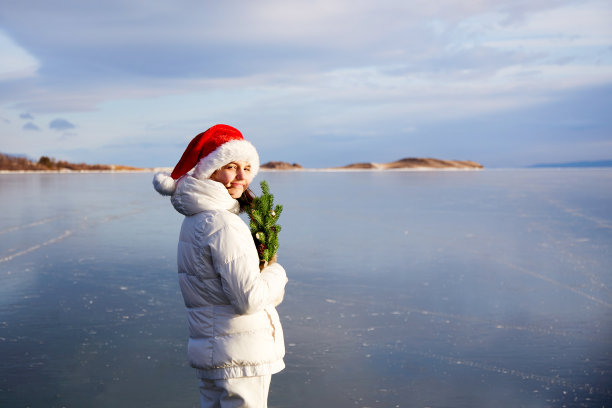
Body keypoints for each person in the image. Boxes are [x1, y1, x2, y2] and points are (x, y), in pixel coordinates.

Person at [153, 124, 288, 408]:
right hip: (241, 355)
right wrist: (275, 271)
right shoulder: (222, 223)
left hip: (215, 351)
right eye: (231, 166)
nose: (242, 176)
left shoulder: (195, 219)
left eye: (248, 168)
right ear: (209, 170)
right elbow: (248, 299)